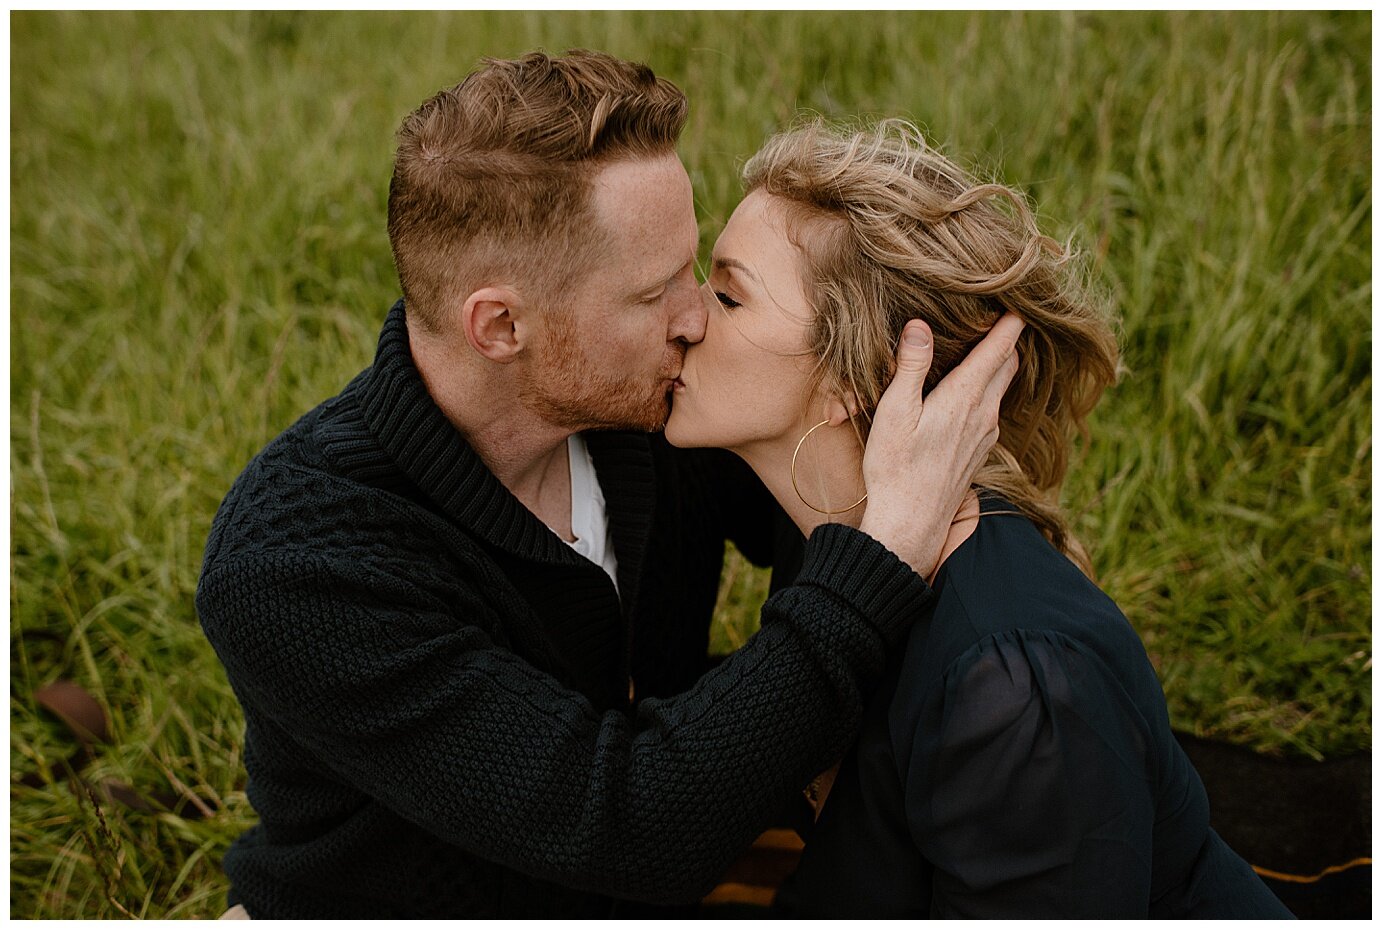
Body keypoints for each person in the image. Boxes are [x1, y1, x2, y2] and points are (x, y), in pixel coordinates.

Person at [195, 52, 1021, 918]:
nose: (696, 317)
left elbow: (812, 499)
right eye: (653, 292)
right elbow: (629, 827)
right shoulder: (297, 565)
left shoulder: (649, 405)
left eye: (693, 268)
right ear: (502, 324)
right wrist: (877, 560)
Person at [664, 118, 1293, 918]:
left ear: (854, 378)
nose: (684, 317)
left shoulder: (1014, 689)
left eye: (727, 294)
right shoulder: (824, 527)